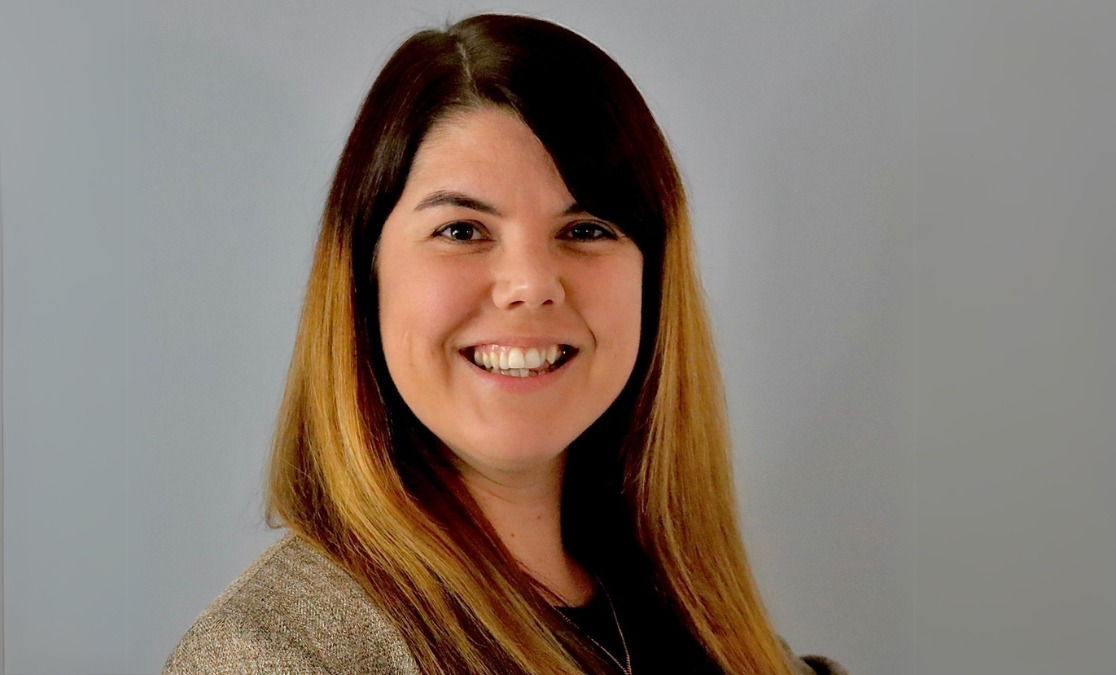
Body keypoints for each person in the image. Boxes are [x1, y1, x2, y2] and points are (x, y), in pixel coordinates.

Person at [162, 13, 846, 675]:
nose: (530, 285)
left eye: (586, 229)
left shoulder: (707, 627)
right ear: (364, 280)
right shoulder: (275, 657)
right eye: (461, 230)